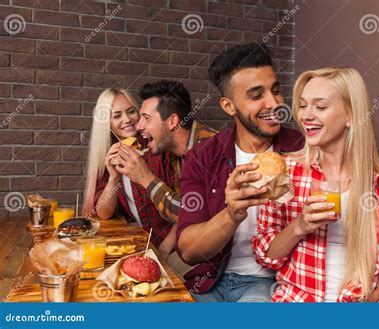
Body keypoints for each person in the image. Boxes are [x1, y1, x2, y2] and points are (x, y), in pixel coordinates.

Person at [252, 67, 379, 302]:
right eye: (303, 105)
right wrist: (299, 226)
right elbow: (267, 257)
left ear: (352, 115)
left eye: (320, 107)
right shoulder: (286, 173)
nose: (306, 115)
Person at [176, 43, 305, 302]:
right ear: (229, 106)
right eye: (257, 95)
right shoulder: (202, 157)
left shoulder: (303, 148)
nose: (274, 103)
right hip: (209, 281)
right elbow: (189, 251)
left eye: (276, 91)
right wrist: (232, 215)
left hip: (269, 282)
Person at [114, 80, 215, 260]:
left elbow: (195, 215)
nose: (138, 126)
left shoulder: (209, 150)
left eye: (146, 118)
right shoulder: (174, 153)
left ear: (173, 122)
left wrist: (145, 178)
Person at [83, 88, 175, 249]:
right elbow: (104, 214)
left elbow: (184, 212)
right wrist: (113, 178)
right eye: (117, 116)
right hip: (139, 246)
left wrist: (165, 250)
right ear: (107, 123)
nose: (127, 119)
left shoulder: (158, 149)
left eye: (131, 111)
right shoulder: (110, 156)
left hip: (174, 247)